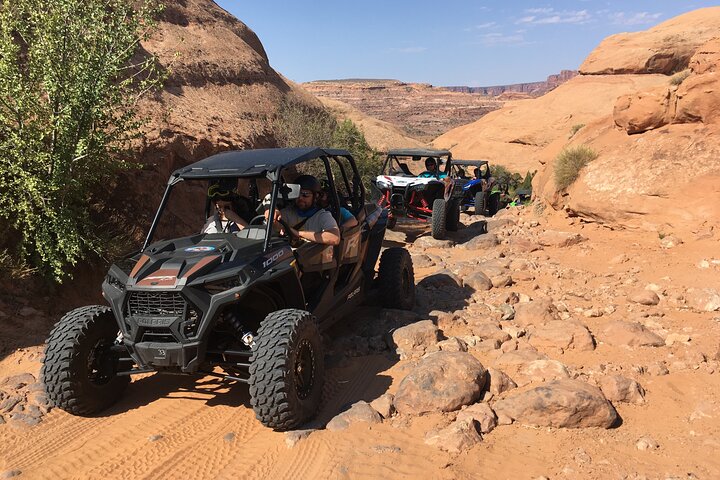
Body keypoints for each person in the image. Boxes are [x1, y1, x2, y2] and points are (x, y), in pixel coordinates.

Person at [273, 175, 340, 246]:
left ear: (316, 196)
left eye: (305, 194)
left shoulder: (322, 216)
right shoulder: (287, 212)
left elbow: (334, 238)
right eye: (297, 194)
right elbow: (274, 228)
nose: (300, 198)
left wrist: (298, 233)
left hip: (312, 252)